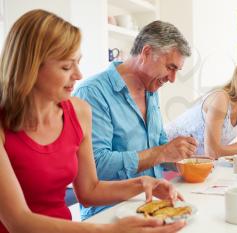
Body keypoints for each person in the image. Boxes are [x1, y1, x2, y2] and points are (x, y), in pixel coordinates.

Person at [0, 9, 185, 233]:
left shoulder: (78, 112)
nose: (78, 74)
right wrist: (109, 231)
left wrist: (144, 183)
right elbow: (18, 222)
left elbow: (89, 191)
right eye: (66, 66)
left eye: (78, 63)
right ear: (31, 68)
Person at [73, 20, 197, 219]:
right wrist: (161, 152)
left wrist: (183, 157)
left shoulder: (151, 90)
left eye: (177, 71)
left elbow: (158, 146)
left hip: (154, 207)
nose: (172, 79)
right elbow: (96, 166)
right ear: (146, 52)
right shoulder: (92, 93)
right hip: (109, 215)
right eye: (170, 67)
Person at [165, 54, 237, 159]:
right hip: (165, 153)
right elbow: (213, 153)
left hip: (192, 162)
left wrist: (221, 150)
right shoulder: (220, 99)